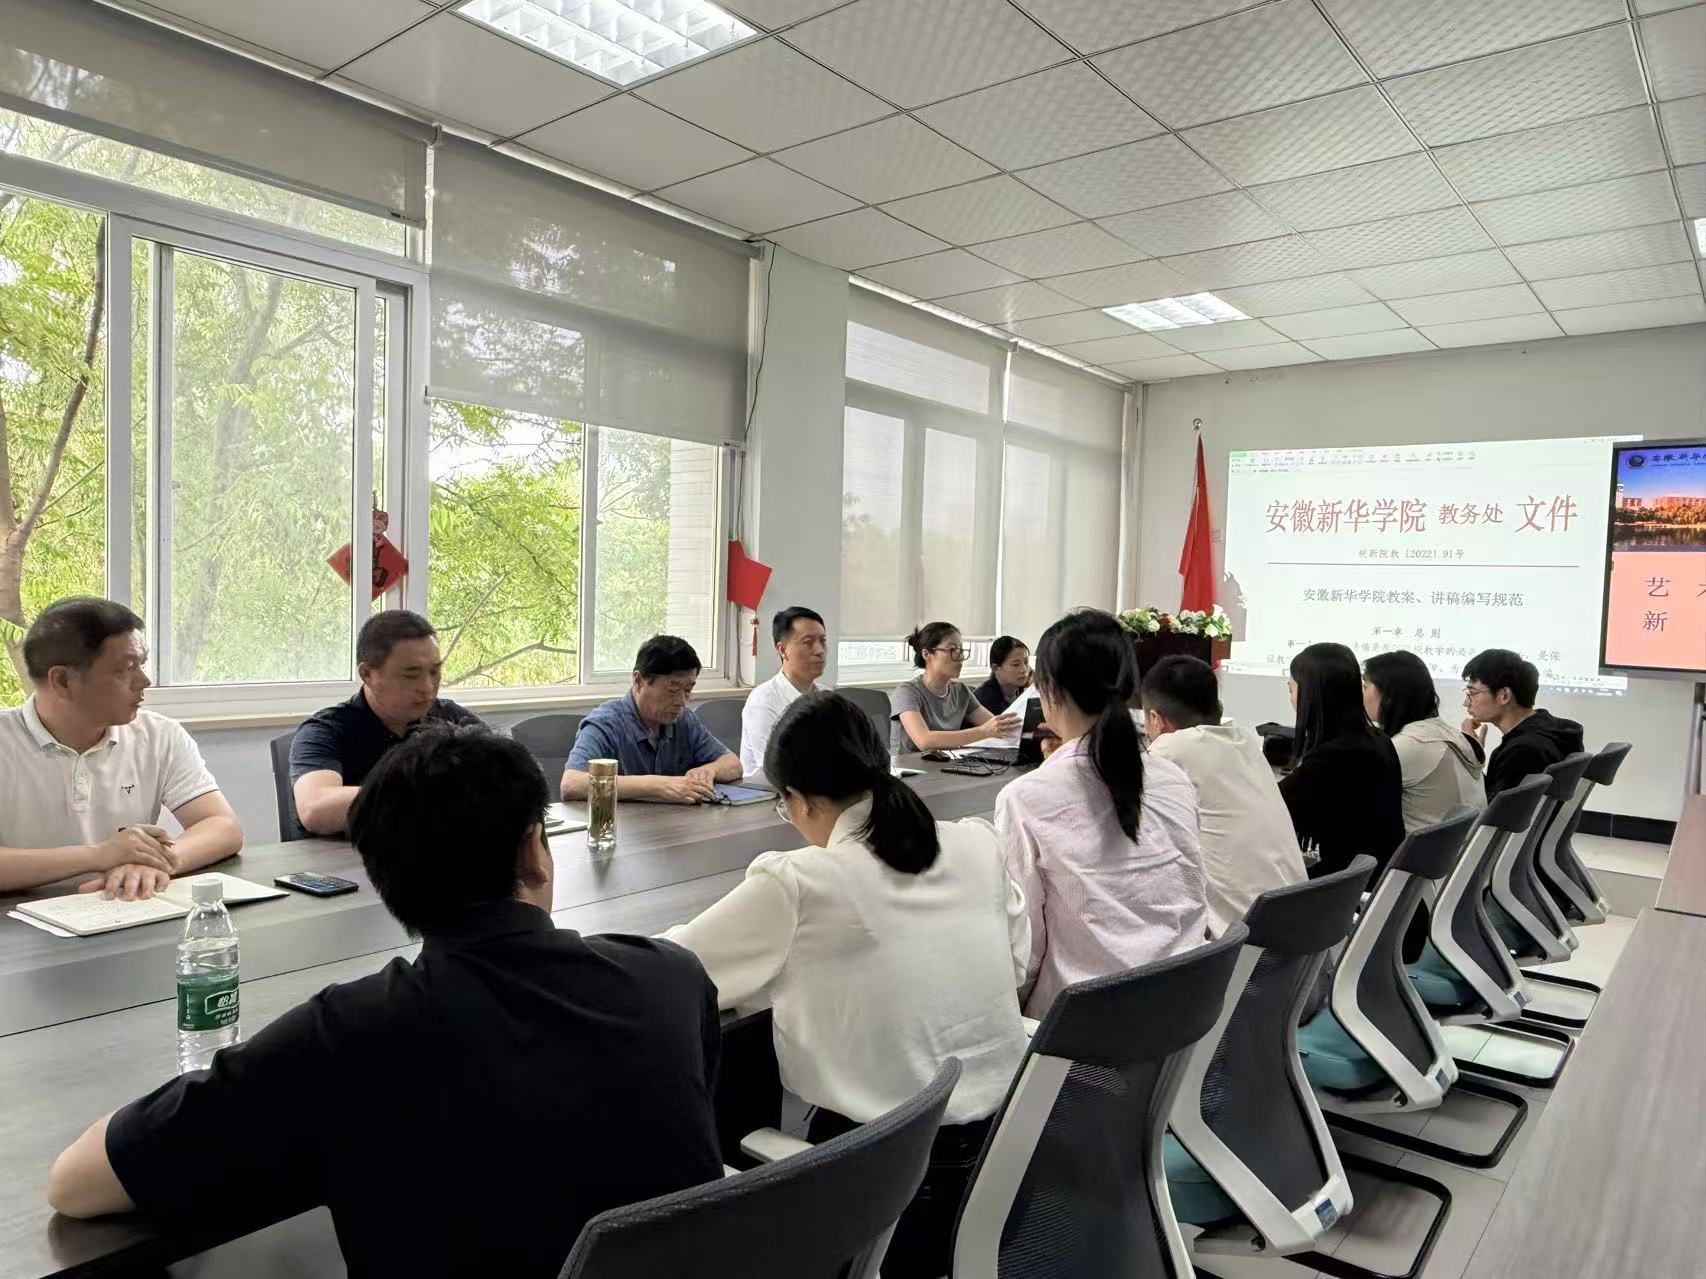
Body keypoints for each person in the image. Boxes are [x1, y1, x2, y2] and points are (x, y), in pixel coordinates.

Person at [48, 727, 724, 1277]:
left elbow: (75, 1184)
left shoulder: (351, 1033)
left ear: (383, 878)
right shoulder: (671, 975)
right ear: (534, 852)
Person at [666, 691, 1028, 1279]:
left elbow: (677, 968)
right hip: (1006, 1169)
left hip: (876, 1199)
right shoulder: (975, 843)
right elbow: (1016, 967)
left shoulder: (801, 881)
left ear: (800, 799)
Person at [995, 610, 1208, 1018]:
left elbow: (1023, 952)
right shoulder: (1174, 779)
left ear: (1049, 691)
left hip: (1082, 1031)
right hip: (1186, 1011)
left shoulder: (1025, 798)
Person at [0, 597, 243, 900]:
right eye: (126, 668)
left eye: (142, 663)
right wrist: (99, 855)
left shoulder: (159, 735)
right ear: (62, 680)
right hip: (16, 921)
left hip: (123, 908)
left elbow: (222, 825)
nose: (144, 681)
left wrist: (154, 862)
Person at [1140, 656, 1306, 936]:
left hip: (1246, 945)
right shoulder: (1245, 743)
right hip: (1303, 927)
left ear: (1155, 719)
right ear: (1218, 708)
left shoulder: (1170, 751)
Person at [290, 610, 481, 835]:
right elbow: (316, 809)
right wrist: (430, 796)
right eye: (411, 675)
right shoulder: (325, 731)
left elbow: (511, 781)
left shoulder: (453, 719)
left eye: (435, 672)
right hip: (351, 855)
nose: (428, 687)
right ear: (367, 674)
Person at [563, 635, 741, 803]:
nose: (681, 702)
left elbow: (733, 763)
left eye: (687, 690)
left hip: (674, 822)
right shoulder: (605, 724)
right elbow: (571, 784)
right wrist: (657, 785)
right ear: (639, 681)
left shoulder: (684, 720)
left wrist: (709, 770)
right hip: (621, 824)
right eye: (672, 690)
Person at [1279, 643, 1405, 878]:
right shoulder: (1378, 740)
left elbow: (1274, 808)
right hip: (1370, 874)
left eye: (1292, 690)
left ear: (1311, 695)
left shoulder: (1332, 757)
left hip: (1344, 882)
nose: (1291, 699)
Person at [1364, 650, 1487, 830]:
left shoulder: (1410, 746)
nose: (1360, 695)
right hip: (1458, 845)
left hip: (1428, 847)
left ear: (1389, 696)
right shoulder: (1442, 732)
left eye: (1365, 687)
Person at [1461, 648, 1584, 799]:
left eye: (1473, 693)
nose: (1466, 702)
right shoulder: (1558, 731)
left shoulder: (1520, 752)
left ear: (1504, 695)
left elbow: (1487, 808)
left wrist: (1469, 757)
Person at [890, 622, 1018, 755]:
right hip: (910, 766)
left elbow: (996, 725)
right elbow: (924, 741)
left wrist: (1027, 730)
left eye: (961, 650)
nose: (961, 657)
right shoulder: (907, 692)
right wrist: (985, 731)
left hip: (947, 764)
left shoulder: (960, 691)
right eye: (953, 650)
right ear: (927, 654)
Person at [739, 606, 828, 780]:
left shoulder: (828, 696)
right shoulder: (763, 702)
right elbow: (778, 771)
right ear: (782, 650)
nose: (820, 650)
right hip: (770, 793)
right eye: (808, 642)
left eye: (823, 641)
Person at [973, 636, 1031, 716]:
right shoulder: (983, 699)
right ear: (995, 668)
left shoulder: (1026, 690)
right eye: (1016, 664)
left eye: (1026, 662)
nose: (1024, 670)